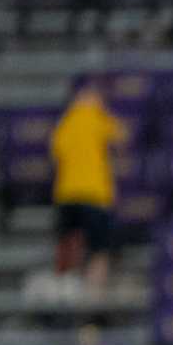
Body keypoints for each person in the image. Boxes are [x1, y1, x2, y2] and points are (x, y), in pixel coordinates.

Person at [50, 76, 126, 295]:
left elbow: (55, 152)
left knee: (69, 244)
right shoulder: (96, 117)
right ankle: (94, 291)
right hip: (94, 195)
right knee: (99, 249)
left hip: (66, 196)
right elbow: (122, 137)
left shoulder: (66, 121)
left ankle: (67, 289)